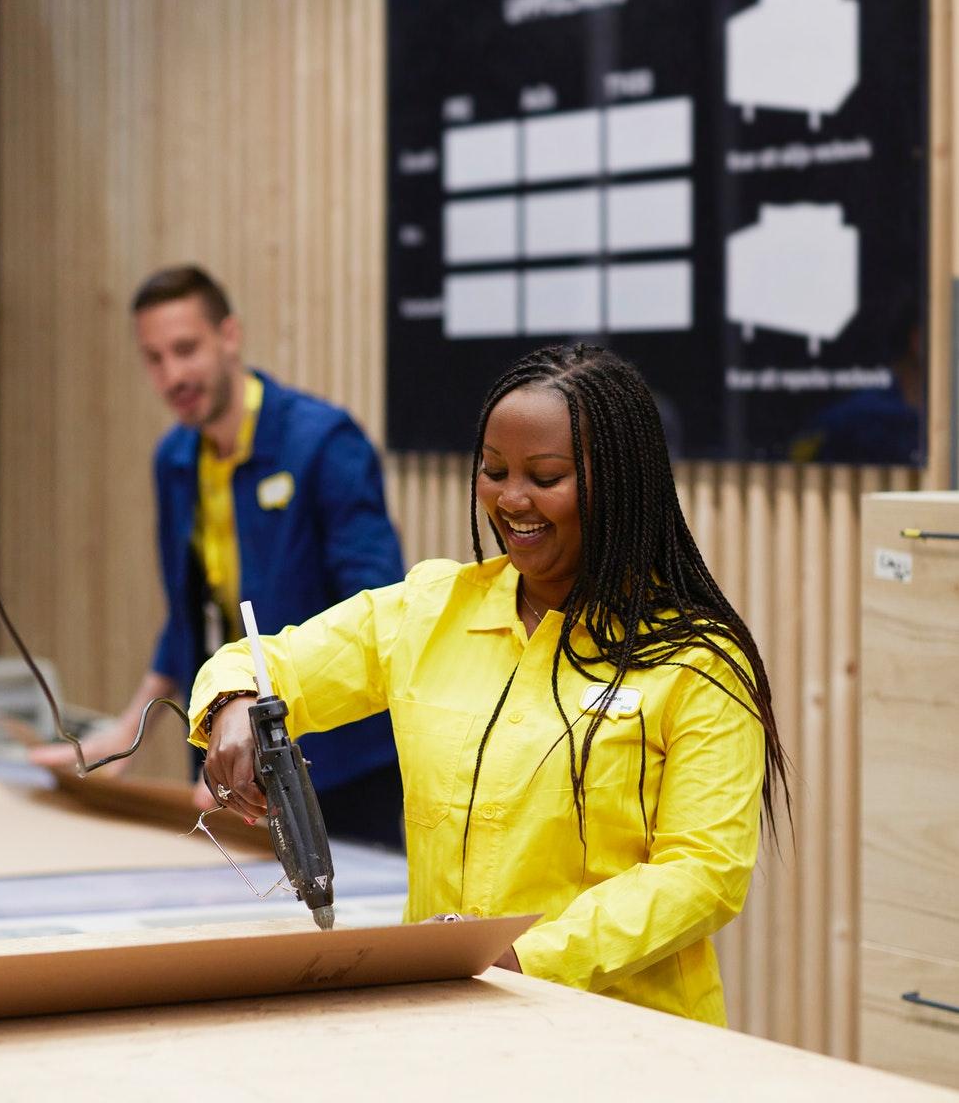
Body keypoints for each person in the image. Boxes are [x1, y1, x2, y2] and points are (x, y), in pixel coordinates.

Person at [192, 343, 790, 1024]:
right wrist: (237, 704)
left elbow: (702, 875)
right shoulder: (430, 609)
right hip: (445, 1020)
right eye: (494, 471)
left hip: (623, 1036)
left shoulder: (699, 663)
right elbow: (273, 661)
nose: (511, 500)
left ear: (621, 483)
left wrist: (521, 956)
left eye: (546, 476)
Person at [32, 265, 405, 848]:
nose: (171, 374)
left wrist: (264, 739)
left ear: (228, 336)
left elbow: (378, 607)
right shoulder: (176, 459)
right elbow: (185, 621)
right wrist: (125, 734)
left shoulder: (324, 443)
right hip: (234, 755)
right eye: (153, 358)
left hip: (341, 765)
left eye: (185, 349)